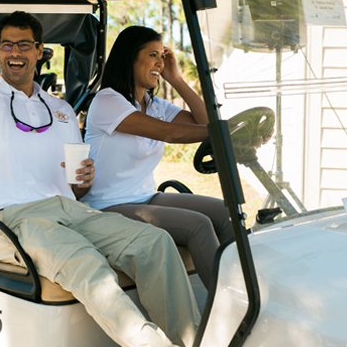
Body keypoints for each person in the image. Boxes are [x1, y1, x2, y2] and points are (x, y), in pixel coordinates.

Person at [0, 12, 200, 347]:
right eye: (7, 45)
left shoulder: (61, 110)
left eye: (24, 45)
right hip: (10, 220)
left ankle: (191, 341)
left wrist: (83, 181)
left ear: (39, 50)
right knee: (88, 263)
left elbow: (76, 187)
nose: (15, 52)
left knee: (156, 244)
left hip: (70, 211)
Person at [82, 26, 234, 289]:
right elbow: (169, 133)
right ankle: (229, 302)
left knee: (224, 211)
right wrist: (226, 132)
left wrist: (175, 78)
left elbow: (206, 122)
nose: (160, 63)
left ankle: (244, 284)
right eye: (153, 55)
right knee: (198, 225)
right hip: (106, 206)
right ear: (130, 57)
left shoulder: (155, 105)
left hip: (144, 196)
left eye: (162, 56)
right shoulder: (107, 101)